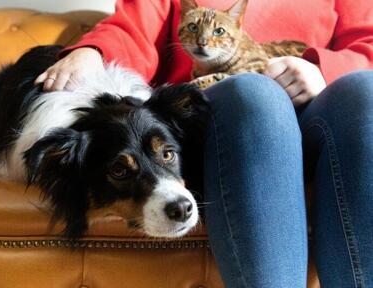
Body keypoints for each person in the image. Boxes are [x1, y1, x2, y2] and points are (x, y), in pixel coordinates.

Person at [35, 0, 373, 287]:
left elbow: (368, 42)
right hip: (231, 117)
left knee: (364, 90)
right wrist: (93, 52)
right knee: (254, 93)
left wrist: (321, 69)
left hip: (320, 111)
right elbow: (134, 27)